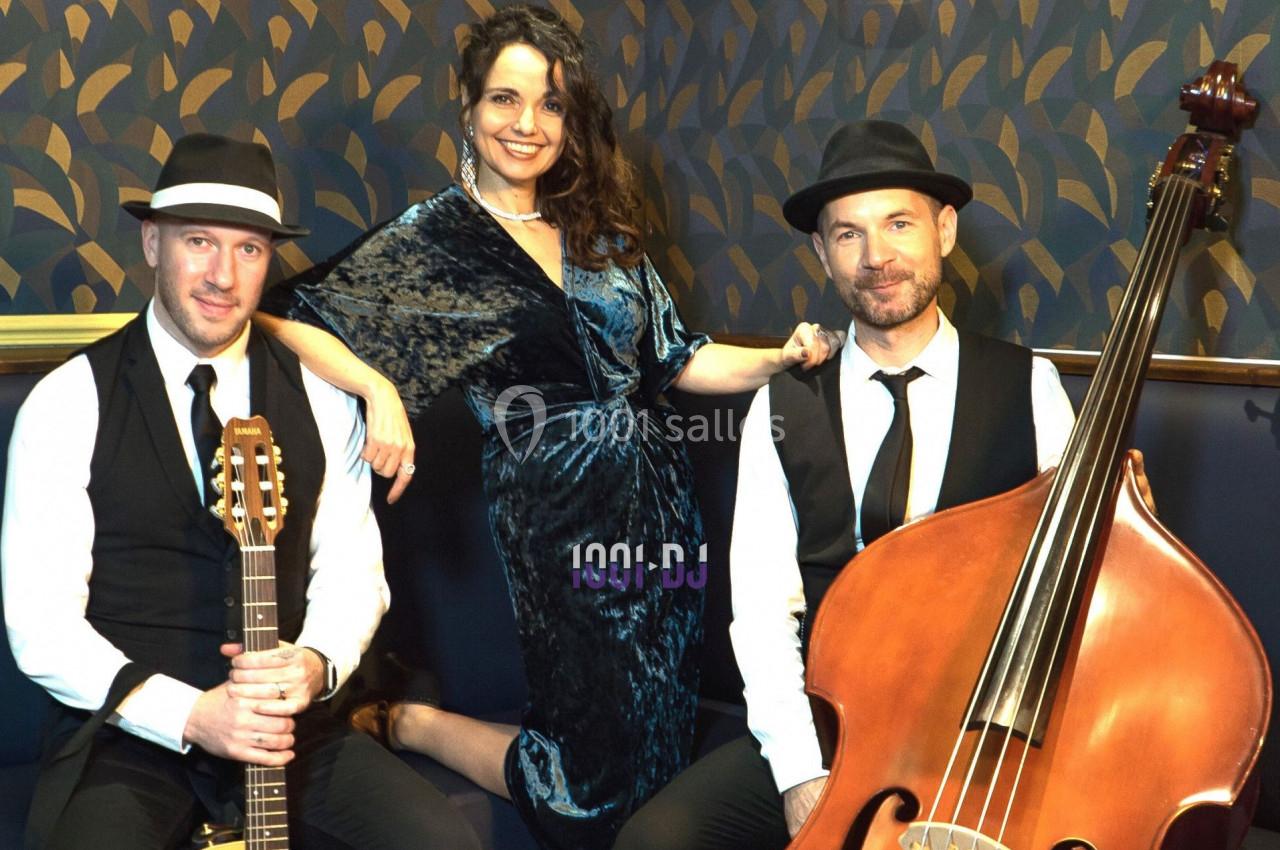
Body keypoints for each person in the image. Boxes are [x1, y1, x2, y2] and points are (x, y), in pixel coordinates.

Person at [253, 5, 841, 848]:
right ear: (469, 110)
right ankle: (413, 725)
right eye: (505, 100)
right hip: (554, 522)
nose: (527, 124)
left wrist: (777, 360)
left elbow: (676, 359)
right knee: (589, 786)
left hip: (662, 515)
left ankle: (425, 727)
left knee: (656, 760)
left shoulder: (602, 232)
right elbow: (280, 315)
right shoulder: (435, 240)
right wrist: (377, 386)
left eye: (551, 105)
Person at [613, 119, 1126, 849]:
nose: (876, 257)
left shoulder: (1029, 387)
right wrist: (799, 774)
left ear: (944, 230)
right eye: (848, 234)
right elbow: (761, 613)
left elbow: (1083, 592)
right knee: (654, 843)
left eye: (898, 224)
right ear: (822, 252)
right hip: (828, 726)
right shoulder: (782, 403)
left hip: (982, 734)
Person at [1, 133, 480, 850]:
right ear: (153, 243)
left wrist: (317, 663)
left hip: (292, 734)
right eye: (199, 241)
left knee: (445, 843)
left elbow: (353, 571)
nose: (223, 275)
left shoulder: (322, 397)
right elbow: (42, 627)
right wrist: (190, 715)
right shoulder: (67, 403)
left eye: (249, 249)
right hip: (131, 738)